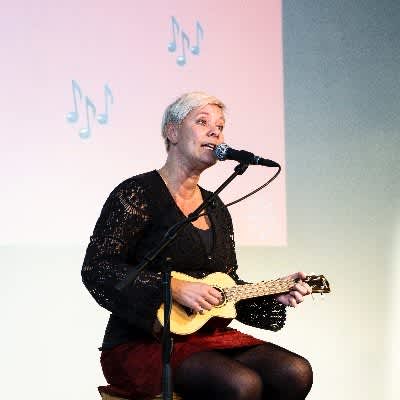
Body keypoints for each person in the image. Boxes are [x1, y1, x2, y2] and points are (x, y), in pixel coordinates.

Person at [82, 92, 313, 400]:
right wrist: (172, 287)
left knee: (294, 372)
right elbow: (98, 268)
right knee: (241, 385)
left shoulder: (216, 208)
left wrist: (271, 293)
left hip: (208, 337)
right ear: (172, 132)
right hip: (143, 341)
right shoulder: (136, 193)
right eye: (203, 122)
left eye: (220, 126)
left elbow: (225, 287)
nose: (215, 132)